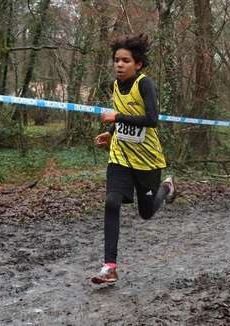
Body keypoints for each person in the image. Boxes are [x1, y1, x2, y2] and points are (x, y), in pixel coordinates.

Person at [91, 34, 176, 285]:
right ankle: (109, 267)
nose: (119, 64)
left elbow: (151, 120)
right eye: (116, 60)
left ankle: (167, 187)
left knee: (146, 213)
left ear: (137, 64)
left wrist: (116, 118)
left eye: (125, 60)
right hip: (120, 156)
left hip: (147, 159)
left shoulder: (145, 84)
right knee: (111, 202)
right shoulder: (115, 85)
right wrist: (109, 133)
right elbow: (122, 117)